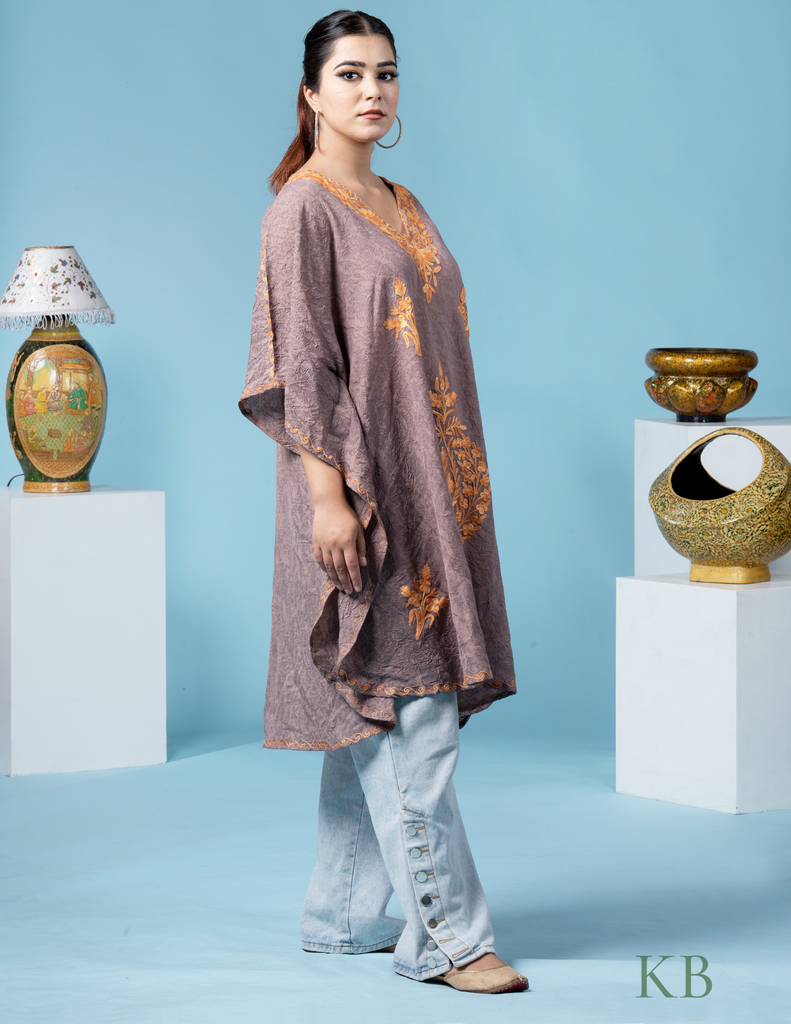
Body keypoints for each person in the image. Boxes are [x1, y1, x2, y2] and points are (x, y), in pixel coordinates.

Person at [239, 10, 525, 995]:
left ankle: (342, 915)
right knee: (410, 703)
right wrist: (328, 499)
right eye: (351, 74)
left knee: (371, 700)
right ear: (311, 94)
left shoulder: (403, 201)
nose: (372, 90)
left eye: (386, 73)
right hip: (355, 491)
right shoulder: (300, 211)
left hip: (426, 485)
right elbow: (301, 362)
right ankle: (447, 939)